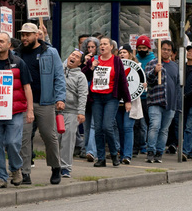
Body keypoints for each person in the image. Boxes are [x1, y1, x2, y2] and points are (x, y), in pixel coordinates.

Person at [15, 22, 66, 185]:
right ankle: (25, 172)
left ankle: (55, 167)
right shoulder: (17, 54)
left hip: (45, 102)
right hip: (23, 103)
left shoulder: (50, 52)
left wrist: (60, 98)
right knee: (24, 138)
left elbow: (59, 76)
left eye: (27, 35)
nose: (24, 38)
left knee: (49, 136)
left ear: (36, 35)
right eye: (22, 35)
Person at [0, 33, 33, 188]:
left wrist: (30, 110)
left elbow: (27, 87)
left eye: (1, 41)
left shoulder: (19, 63)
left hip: (14, 111)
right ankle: (1, 177)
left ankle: (16, 168)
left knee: (12, 142)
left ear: (9, 44)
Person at [83, 36, 132, 167]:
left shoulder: (116, 61)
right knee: (98, 128)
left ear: (111, 47)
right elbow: (83, 75)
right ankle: (101, 158)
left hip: (111, 97)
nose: (102, 47)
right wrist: (90, 67)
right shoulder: (94, 60)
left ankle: (115, 154)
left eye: (105, 44)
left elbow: (122, 81)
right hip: (96, 98)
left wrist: (127, 100)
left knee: (107, 126)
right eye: (101, 45)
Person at [144, 39, 181, 163]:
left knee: (164, 129)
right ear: (159, 50)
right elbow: (148, 80)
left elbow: (177, 86)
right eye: (164, 49)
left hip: (170, 103)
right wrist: (155, 71)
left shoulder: (175, 66)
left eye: (169, 50)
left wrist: (177, 104)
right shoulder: (152, 63)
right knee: (154, 126)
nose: (166, 52)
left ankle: (159, 152)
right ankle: (151, 151)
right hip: (155, 101)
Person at [60, 49, 88, 177]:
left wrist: (81, 112)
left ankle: (65, 168)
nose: (73, 57)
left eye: (77, 57)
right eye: (72, 54)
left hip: (72, 111)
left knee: (68, 139)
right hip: (56, 110)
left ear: (79, 63)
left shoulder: (81, 76)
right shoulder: (59, 69)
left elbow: (83, 95)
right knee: (55, 139)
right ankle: (56, 166)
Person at [117, 46, 143, 164]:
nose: (122, 54)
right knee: (121, 129)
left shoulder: (138, 68)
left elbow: (140, 83)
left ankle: (127, 155)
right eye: (120, 52)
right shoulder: (115, 66)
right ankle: (122, 153)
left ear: (130, 54)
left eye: (124, 52)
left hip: (131, 103)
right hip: (118, 103)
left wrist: (144, 85)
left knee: (128, 128)